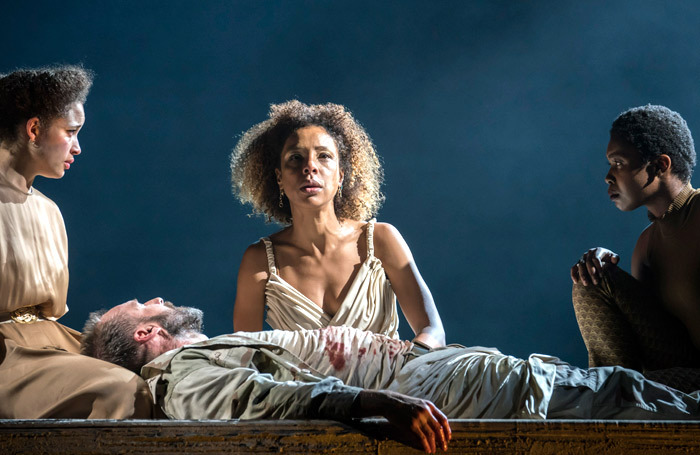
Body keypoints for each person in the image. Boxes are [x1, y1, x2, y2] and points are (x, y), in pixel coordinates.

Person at [83, 299, 700, 445]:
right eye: (139, 301)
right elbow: (255, 396)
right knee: (624, 395)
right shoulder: (181, 371)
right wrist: (370, 400)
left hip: (434, 372)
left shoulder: (202, 351)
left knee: (635, 388)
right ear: (145, 333)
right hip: (432, 389)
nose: (154, 294)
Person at [0, 65, 152, 418]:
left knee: (159, 372)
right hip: (8, 357)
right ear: (34, 129)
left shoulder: (49, 211)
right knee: (123, 390)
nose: (78, 147)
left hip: (51, 341)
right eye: (70, 132)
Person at [230, 100, 445, 348]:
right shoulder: (258, 260)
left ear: (341, 175)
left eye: (324, 156)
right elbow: (243, 356)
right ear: (279, 178)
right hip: (301, 388)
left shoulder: (381, 239)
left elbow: (433, 331)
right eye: (295, 158)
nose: (310, 167)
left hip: (393, 385)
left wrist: (410, 365)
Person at [571, 105, 700, 392]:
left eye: (618, 162)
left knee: (624, 391)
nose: (608, 176)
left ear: (659, 166)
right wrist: (599, 263)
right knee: (592, 276)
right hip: (684, 366)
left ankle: (613, 397)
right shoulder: (646, 245)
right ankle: (609, 399)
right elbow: (648, 346)